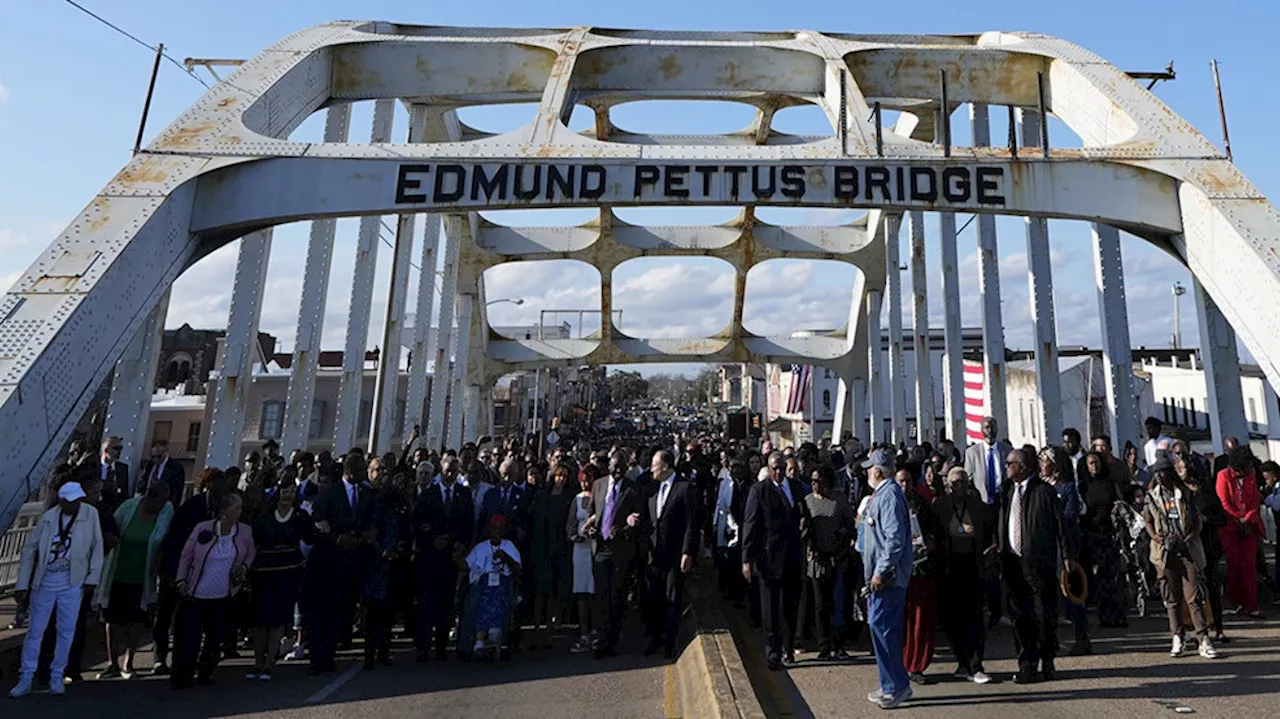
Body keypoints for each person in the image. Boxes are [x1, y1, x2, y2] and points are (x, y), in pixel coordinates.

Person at [10, 481, 104, 698]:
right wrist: (22, 584)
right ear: (62, 501)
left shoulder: (89, 515)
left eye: (79, 499)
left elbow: (96, 547)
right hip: (45, 581)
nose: (77, 504)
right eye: (73, 501)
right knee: (35, 631)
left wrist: (92, 578)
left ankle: (56, 676)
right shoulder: (49, 518)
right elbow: (29, 550)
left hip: (72, 582)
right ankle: (26, 677)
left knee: (66, 631)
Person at [172, 493, 256, 689]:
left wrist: (244, 567)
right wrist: (181, 579)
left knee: (214, 637)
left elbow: (251, 552)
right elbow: (186, 555)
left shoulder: (244, 531)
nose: (240, 512)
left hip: (224, 594)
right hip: (197, 592)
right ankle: (184, 675)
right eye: (236, 508)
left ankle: (205, 672)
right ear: (224, 512)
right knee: (190, 638)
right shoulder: (203, 528)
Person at [999, 447, 1066, 684]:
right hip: (1013, 565)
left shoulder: (1044, 492)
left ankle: (1047, 660)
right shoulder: (1007, 491)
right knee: (1020, 617)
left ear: (1023, 466)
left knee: (1043, 616)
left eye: (1011, 463)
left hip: (1039, 565)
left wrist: (1067, 559)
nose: (1006, 466)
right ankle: (1026, 664)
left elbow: (1061, 528)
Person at [94, 481, 173, 680]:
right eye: (161, 500)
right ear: (151, 497)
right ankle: (112, 663)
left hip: (143, 575)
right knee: (112, 619)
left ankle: (128, 663)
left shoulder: (167, 511)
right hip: (118, 571)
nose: (164, 505)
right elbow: (111, 528)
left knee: (137, 619)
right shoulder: (129, 507)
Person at [857, 449, 914, 709]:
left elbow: (894, 539)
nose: (867, 471)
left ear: (878, 470)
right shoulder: (880, 495)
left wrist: (881, 571)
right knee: (878, 628)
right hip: (878, 577)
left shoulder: (889, 495)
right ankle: (889, 683)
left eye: (870, 467)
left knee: (884, 628)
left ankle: (897, 686)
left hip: (888, 578)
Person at [1145, 459, 1218, 659]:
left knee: (1194, 596)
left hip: (1187, 549)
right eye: (1157, 474)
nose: (1160, 477)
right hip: (1165, 552)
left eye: (1164, 473)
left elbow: (1196, 520)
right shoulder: (1152, 496)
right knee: (1172, 597)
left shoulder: (1186, 493)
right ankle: (1177, 636)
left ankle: (1202, 638)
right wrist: (1155, 537)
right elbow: (1148, 520)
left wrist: (1191, 536)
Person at [305, 454, 372, 674]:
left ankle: (330, 655)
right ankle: (317, 659)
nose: (364, 474)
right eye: (362, 469)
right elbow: (318, 520)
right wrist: (336, 538)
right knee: (323, 613)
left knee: (341, 613)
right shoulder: (329, 494)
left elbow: (368, 519)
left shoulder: (364, 493)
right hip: (328, 563)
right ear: (350, 470)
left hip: (352, 563)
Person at [741, 451, 806, 671]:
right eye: (773, 468)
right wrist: (746, 559)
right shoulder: (759, 491)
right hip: (768, 559)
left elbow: (804, 515)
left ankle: (789, 648)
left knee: (791, 605)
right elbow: (750, 525)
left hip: (793, 556)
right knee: (770, 609)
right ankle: (773, 652)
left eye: (780, 468)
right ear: (768, 469)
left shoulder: (796, 488)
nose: (778, 472)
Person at [932, 467, 994, 684]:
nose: (959, 486)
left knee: (975, 616)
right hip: (949, 569)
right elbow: (933, 534)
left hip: (973, 566)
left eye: (963, 482)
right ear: (948, 485)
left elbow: (989, 534)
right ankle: (962, 662)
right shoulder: (939, 506)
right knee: (952, 619)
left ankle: (976, 665)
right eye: (955, 483)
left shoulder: (978, 507)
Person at [248, 481, 313, 680]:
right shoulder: (264, 516)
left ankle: (269, 665)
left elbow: (310, 538)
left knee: (277, 621)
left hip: (288, 573)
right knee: (261, 621)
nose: (289, 495)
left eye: (293, 491)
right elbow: (255, 539)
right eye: (285, 491)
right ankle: (257, 663)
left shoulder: (300, 517)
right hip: (264, 572)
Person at [413, 455, 474, 661]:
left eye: (454, 472)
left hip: (452, 557)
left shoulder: (464, 494)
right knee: (426, 602)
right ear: (441, 470)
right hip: (431, 557)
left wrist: (461, 544)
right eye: (447, 471)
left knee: (447, 603)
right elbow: (418, 523)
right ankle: (423, 646)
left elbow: (468, 523)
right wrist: (431, 540)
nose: (450, 474)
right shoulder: (429, 494)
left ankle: (441, 646)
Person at [588, 450, 647, 659]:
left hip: (621, 550)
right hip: (601, 549)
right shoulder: (599, 485)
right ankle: (600, 640)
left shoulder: (633, 490)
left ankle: (612, 639)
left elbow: (640, 523)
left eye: (622, 468)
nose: (618, 471)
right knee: (601, 596)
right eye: (615, 468)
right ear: (609, 467)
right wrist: (591, 529)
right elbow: (592, 514)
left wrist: (623, 530)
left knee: (616, 597)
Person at [644, 449, 698, 659]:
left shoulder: (684, 488)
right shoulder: (655, 490)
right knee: (656, 598)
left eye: (654, 464)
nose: (651, 469)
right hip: (655, 555)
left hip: (675, 554)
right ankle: (655, 637)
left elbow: (692, 523)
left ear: (665, 466)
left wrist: (687, 551)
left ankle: (670, 642)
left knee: (673, 599)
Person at [800, 464, 853, 660]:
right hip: (817, 560)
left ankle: (839, 644)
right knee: (821, 605)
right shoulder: (807, 501)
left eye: (818, 481)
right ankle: (824, 645)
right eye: (812, 481)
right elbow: (803, 532)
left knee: (837, 602)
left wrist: (842, 541)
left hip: (838, 558)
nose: (815, 485)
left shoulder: (839, 500)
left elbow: (850, 526)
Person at [898, 467, 942, 686]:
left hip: (920, 571)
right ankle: (900, 664)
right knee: (901, 621)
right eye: (900, 482)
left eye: (907, 481)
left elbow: (935, 532)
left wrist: (930, 544)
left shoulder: (922, 505)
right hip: (896, 573)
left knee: (919, 621)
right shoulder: (888, 503)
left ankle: (916, 666)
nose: (904, 486)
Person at [461, 515, 523, 659]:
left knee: (497, 595)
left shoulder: (509, 546)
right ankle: (479, 640)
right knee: (480, 597)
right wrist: (457, 556)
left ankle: (493, 633)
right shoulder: (480, 547)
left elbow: (518, 568)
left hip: (503, 581)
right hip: (483, 582)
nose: (496, 531)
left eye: (499, 528)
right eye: (494, 528)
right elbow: (466, 565)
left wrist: (506, 557)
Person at [1078, 450, 1127, 628]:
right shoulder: (1083, 486)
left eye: (1097, 462)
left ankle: (1118, 615)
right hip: (1091, 534)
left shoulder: (1109, 483)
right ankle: (1104, 615)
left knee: (1113, 576)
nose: (1094, 466)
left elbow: (1120, 504)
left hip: (1109, 533)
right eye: (1091, 463)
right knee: (1098, 577)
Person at [529, 463, 576, 648]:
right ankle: (537, 626)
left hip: (561, 548)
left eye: (564, 476)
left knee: (556, 590)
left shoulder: (569, 497)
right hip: (543, 547)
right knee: (541, 590)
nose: (561, 479)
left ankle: (552, 625)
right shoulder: (543, 495)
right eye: (558, 475)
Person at [1216, 446, 1265, 617]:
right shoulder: (1224, 476)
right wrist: (1238, 518)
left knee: (1249, 566)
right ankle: (1238, 602)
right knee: (1234, 566)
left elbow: (1255, 501)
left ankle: (1252, 605)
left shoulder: (1251, 478)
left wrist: (1248, 517)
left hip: (1249, 526)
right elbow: (1224, 502)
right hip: (1230, 528)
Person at [568, 464, 598, 653]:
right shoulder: (576, 500)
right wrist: (575, 536)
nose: (586, 483)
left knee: (595, 590)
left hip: (595, 548)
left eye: (589, 479)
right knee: (581, 591)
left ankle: (596, 631)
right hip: (580, 550)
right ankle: (584, 632)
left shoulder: (599, 497)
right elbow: (570, 525)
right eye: (583, 479)